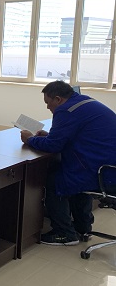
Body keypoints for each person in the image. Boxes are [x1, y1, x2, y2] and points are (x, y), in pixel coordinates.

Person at [20, 80, 116, 246]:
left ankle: (64, 233)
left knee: (55, 180)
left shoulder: (66, 110)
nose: (47, 107)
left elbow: (53, 146)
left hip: (104, 173)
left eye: (48, 102)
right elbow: (75, 135)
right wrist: (51, 135)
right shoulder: (84, 101)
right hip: (108, 165)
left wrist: (30, 139)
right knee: (74, 179)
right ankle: (83, 228)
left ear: (58, 99)